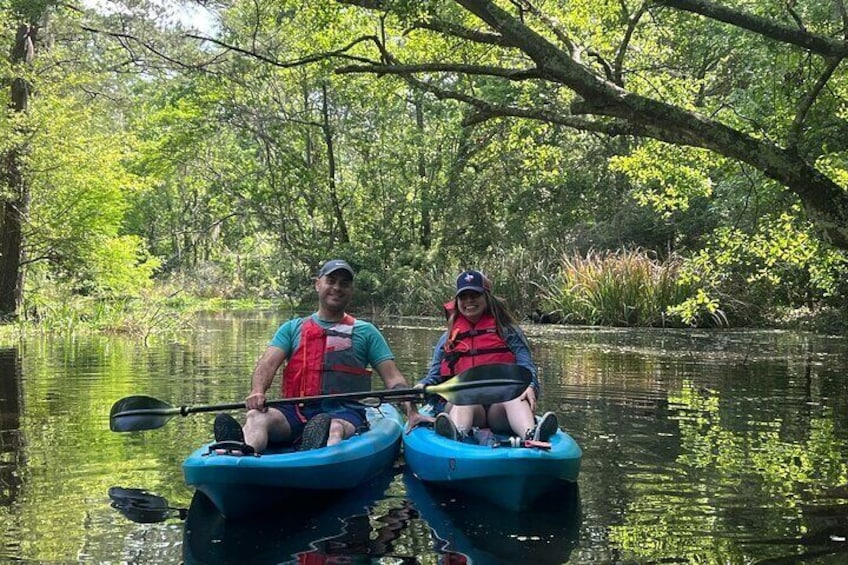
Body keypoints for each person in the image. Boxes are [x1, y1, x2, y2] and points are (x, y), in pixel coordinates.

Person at [213, 259, 426, 454]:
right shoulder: (292, 328)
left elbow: (393, 379)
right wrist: (257, 391)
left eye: (344, 283)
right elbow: (267, 364)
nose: (337, 288)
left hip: (344, 411)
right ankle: (240, 454)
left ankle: (314, 457)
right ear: (318, 284)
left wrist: (412, 411)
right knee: (256, 417)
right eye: (331, 281)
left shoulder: (366, 332)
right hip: (295, 410)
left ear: (351, 290)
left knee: (332, 428)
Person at [417, 269, 558, 444]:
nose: (469, 301)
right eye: (463, 296)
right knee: (464, 397)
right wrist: (423, 385)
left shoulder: (509, 332)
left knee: (516, 394)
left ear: (486, 298)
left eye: (475, 295)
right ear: (457, 301)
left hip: (498, 408)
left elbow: (526, 367)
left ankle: (531, 435)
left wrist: (530, 385)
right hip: (464, 405)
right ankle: (457, 434)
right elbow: (435, 376)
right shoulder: (447, 339)